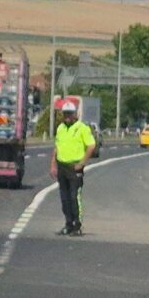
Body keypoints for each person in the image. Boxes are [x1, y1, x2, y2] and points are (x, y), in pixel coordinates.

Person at [52, 98, 98, 236]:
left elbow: (91, 145)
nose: (67, 116)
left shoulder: (82, 128)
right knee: (64, 197)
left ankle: (77, 225)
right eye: (65, 114)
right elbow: (57, 147)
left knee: (74, 197)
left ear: (75, 114)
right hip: (62, 166)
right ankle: (68, 224)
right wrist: (53, 164)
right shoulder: (60, 128)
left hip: (74, 168)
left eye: (69, 114)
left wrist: (82, 163)